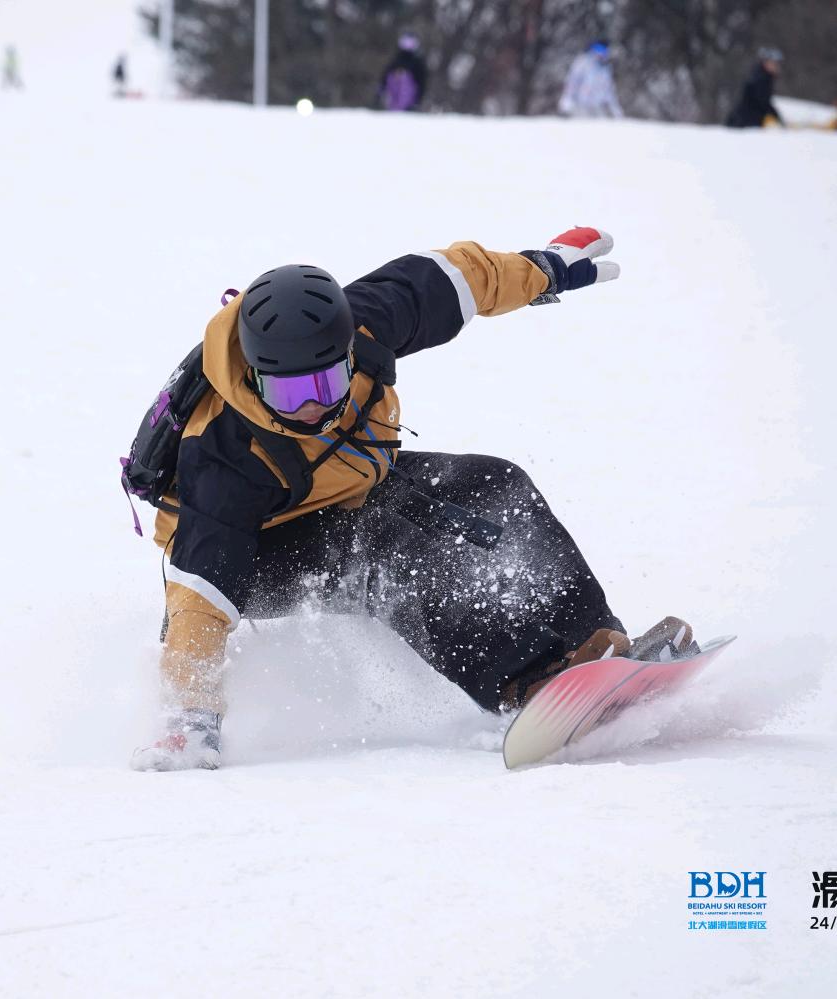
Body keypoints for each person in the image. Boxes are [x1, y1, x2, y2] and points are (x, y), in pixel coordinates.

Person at [129, 227, 697, 771]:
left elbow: (463, 278)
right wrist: (189, 718)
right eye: (289, 390)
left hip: (344, 486)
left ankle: (596, 643)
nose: (310, 406)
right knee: (385, 556)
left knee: (495, 481)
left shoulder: (367, 319)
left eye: (326, 384)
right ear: (254, 376)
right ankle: (531, 683)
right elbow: (198, 598)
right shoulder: (224, 457)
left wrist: (544, 268)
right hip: (254, 555)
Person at [558, 40, 623, 119]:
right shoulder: (582, 63)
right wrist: (566, 103)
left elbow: (609, 90)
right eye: (598, 49)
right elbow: (572, 84)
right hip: (580, 106)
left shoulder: (605, 68)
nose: (601, 53)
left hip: (597, 107)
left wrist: (615, 110)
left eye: (604, 50)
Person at [726, 48, 785, 128]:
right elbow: (763, 103)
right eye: (774, 63)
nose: (776, 66)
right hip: (746, 122)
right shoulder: (761, 79)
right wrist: (779, 119)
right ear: (766, 63)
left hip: (746, 120)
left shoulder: (762, 77)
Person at [378, 33, 427, 112]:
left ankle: (402, 106)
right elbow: (386, 75)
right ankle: (392, 105)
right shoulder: (397, 59)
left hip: (409, 95)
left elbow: (421, 81)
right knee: (395, 78)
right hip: (393, 93)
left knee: (404, 79)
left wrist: (418, 99)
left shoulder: (417, 62)